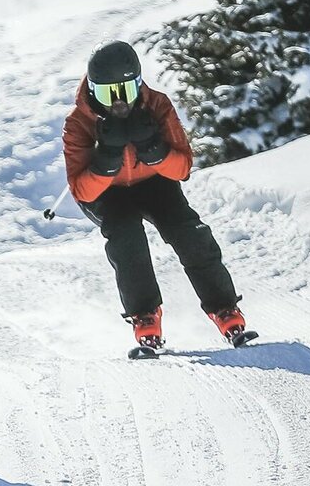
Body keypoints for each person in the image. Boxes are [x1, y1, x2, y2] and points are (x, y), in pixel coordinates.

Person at [61, 40, 254, 356]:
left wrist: (155, 150)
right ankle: (145, 315)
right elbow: (82, 191)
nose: (120, 103)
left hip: (154, 182)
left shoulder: (157, 105)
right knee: (126, 236)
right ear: (93, 91)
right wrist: (106, 159)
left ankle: (225, 309)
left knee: (187, 231)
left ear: (139, 83)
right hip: (106, 193)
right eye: (110, 94)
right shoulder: (78, 124)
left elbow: (182, 168)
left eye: (127, 90)